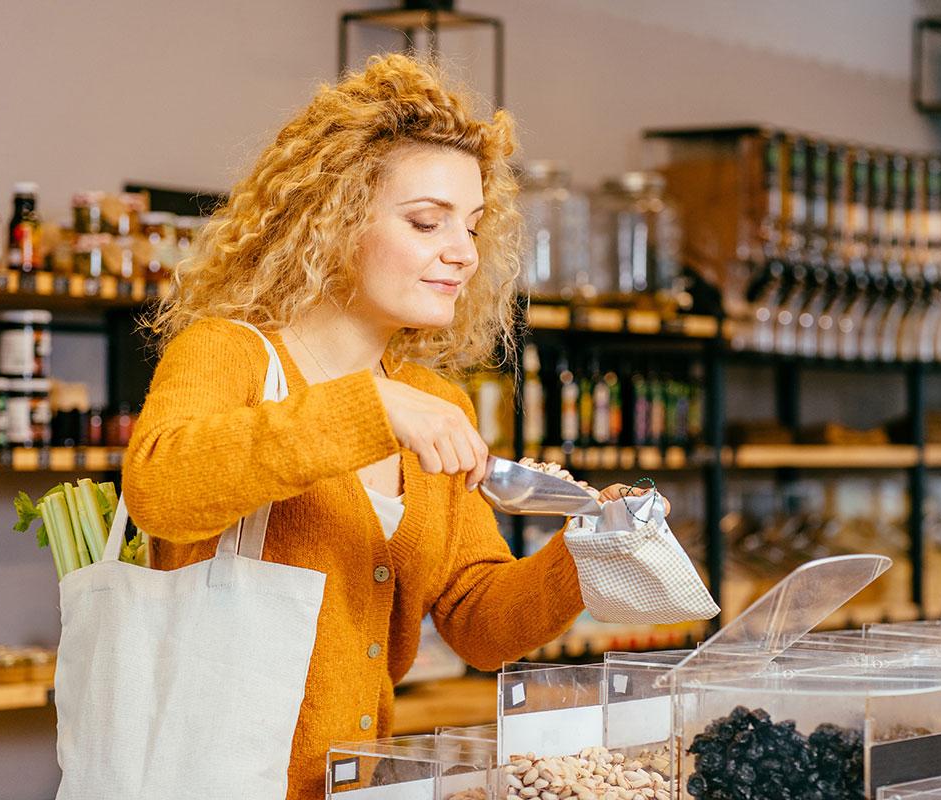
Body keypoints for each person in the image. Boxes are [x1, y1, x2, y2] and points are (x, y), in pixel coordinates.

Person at [122, 54, 663, 798]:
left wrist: (592, 542)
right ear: (332, 217)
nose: (462, 253)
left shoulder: (431, 397)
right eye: (426, 222)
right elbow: (164, 487)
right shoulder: (230, 353)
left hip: (361, 785)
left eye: (472, 226)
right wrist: (368, 412)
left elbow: (477, 619)